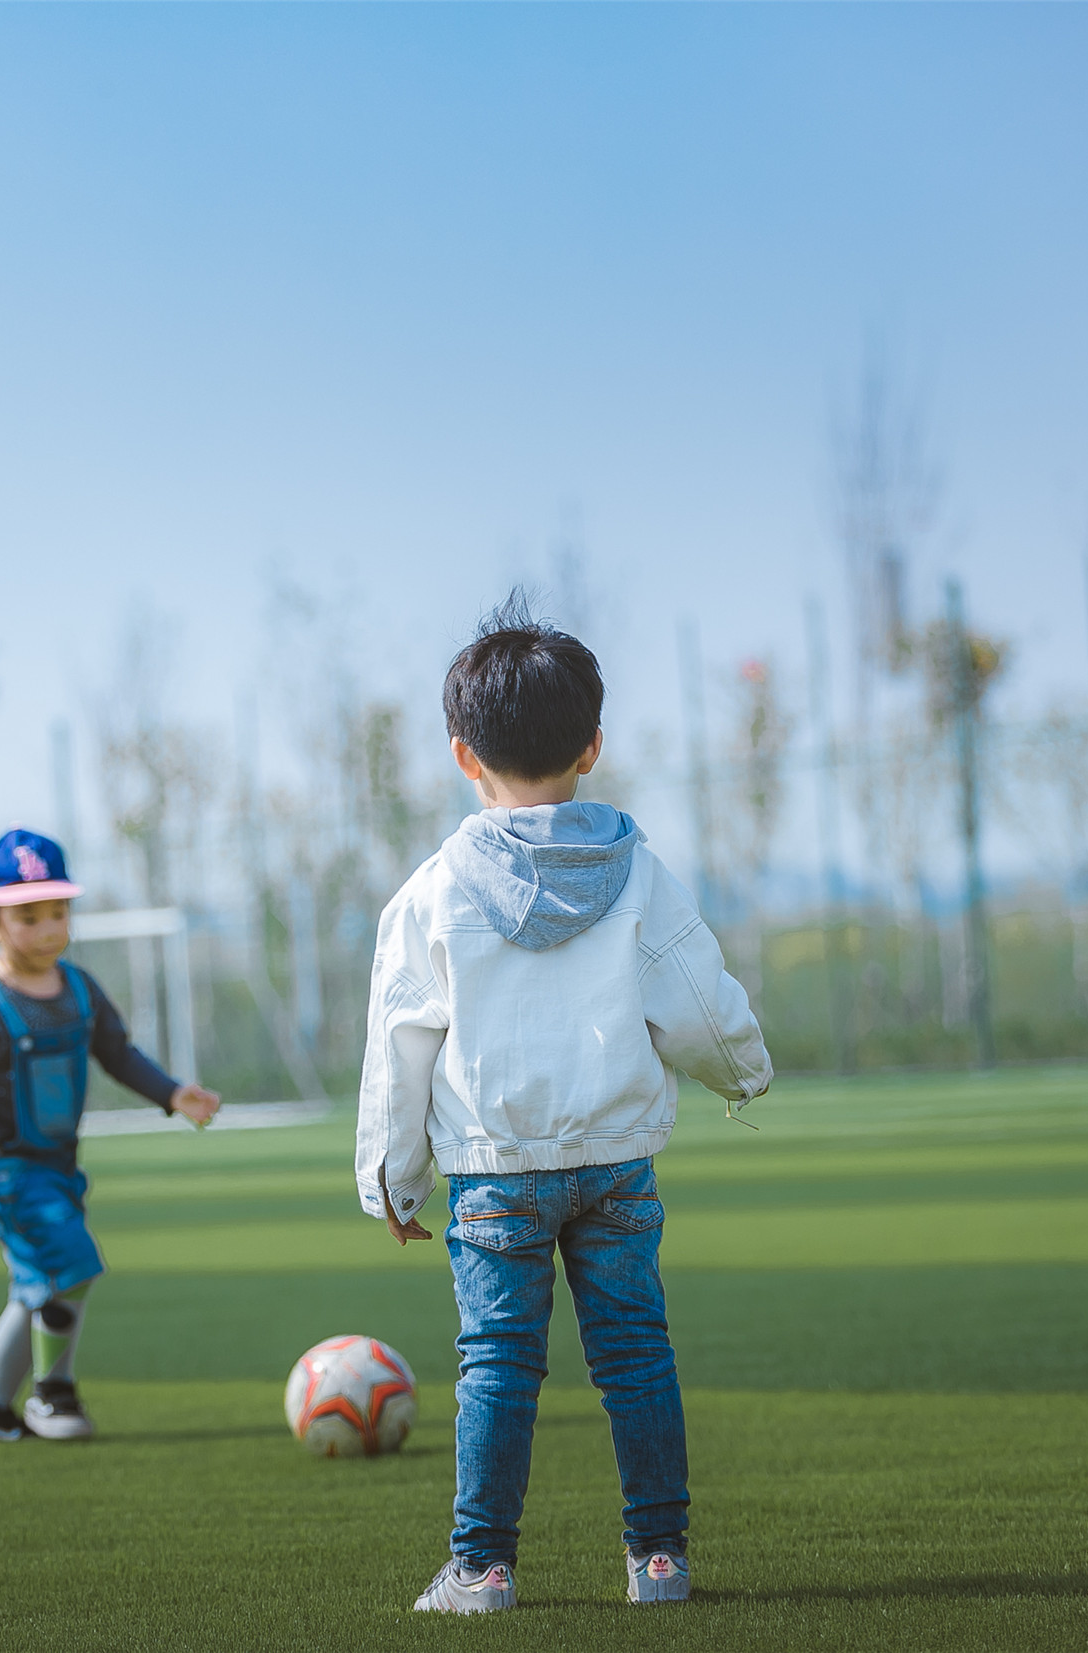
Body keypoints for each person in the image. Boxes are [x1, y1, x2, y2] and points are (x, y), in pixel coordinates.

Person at [357, 597, 772, 1612]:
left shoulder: (429, 894)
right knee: (634, 1358)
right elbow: (695, 1000)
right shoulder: (637, 873)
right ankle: (658, 1559)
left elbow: (400, 1050)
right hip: (615, 1163)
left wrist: (391, 1184)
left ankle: (480, 1568)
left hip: (494, 1174)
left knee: (496, 1365)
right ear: (592, 745)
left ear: (462, 755)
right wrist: (742, 1075)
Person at [0, 828, 221, 1444]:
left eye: (58, 913)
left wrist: (173, 1094)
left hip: (57, 1167)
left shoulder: (80, 991)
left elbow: (119, 1055)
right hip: (3, 1171)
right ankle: (52, 1396)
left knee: (38, 1285)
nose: (49, 929)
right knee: (71, 1265)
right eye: (28, 917)